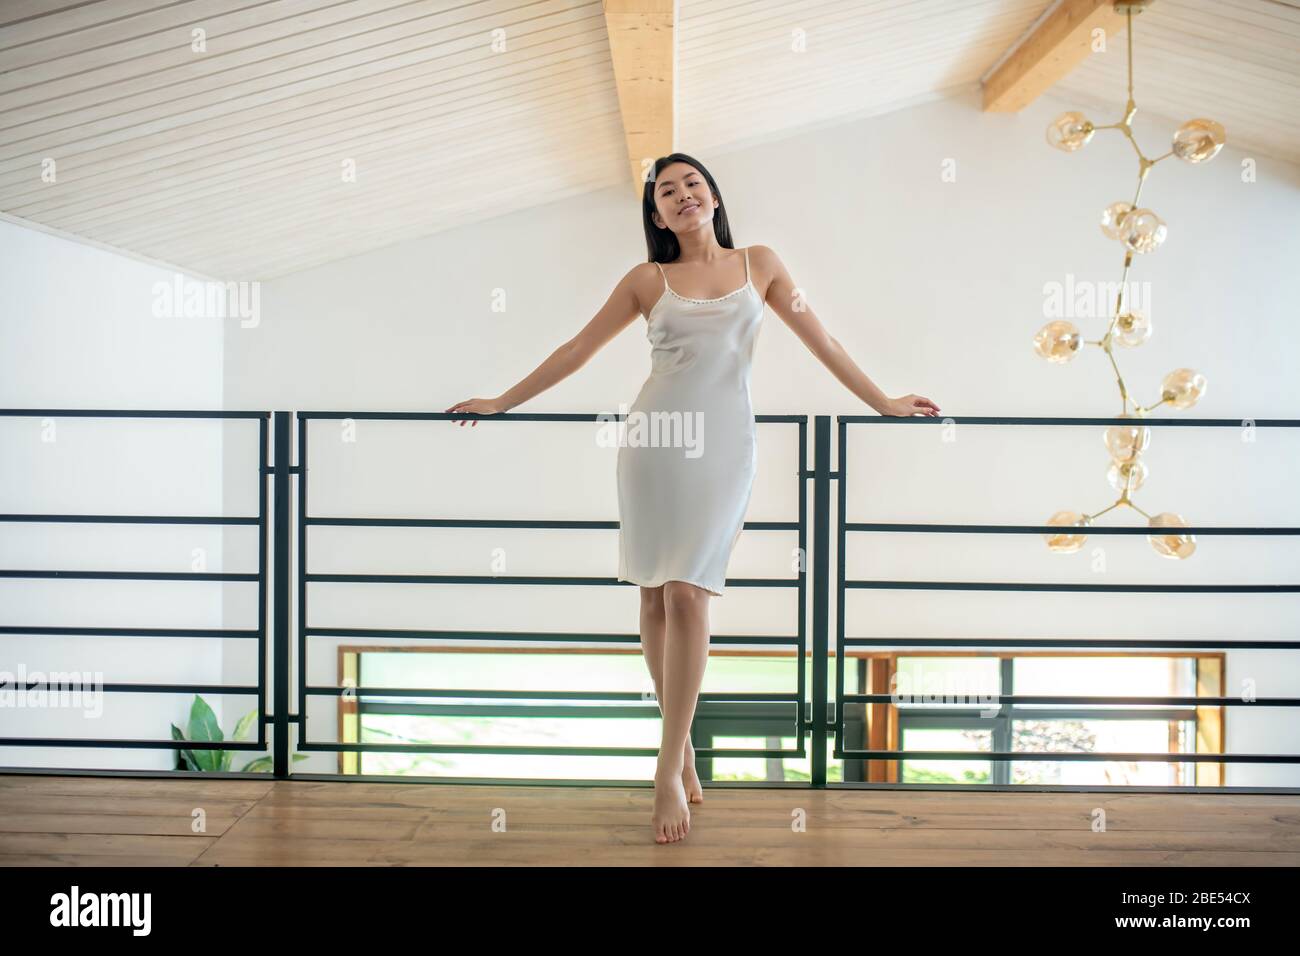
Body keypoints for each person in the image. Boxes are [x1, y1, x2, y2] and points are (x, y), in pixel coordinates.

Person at [446, 153, 941, 844]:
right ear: (656, 214)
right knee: (651, 595)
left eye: (693, 185)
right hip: (653, 443)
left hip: (723, 446)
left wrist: (884, 401)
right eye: (668, 191)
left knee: (687, 593)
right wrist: (501, 401)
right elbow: (577, 349)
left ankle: (666, 769)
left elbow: (821, 338)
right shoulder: (648, 280)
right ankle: (681, 750)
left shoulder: (760, 265)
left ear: (712, 198)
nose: (683, 196)